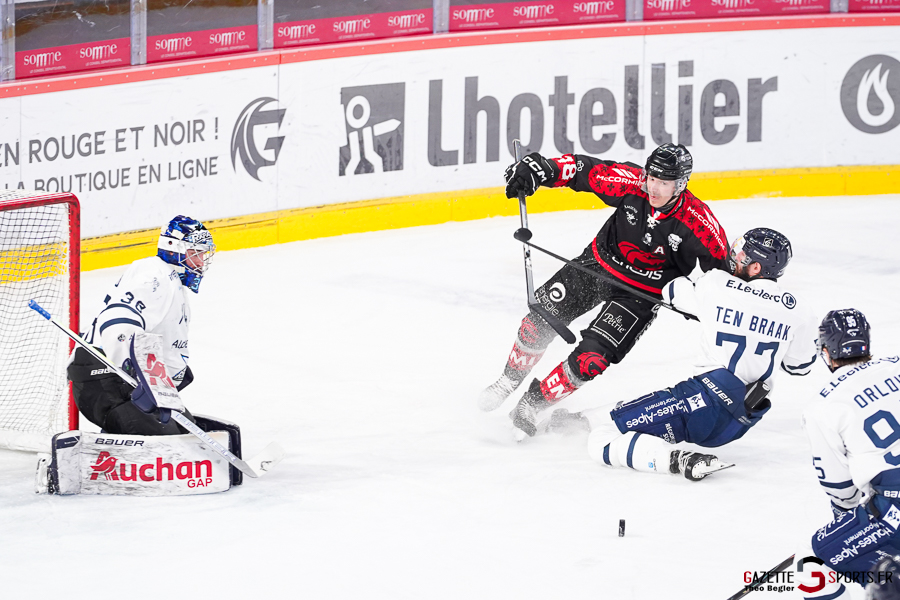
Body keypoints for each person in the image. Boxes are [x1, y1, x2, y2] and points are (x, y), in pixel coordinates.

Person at [478, 143, 731, 438]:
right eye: (652, 178)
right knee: (537, 323)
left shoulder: (699, 224)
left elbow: (725, 280)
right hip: (595, 267)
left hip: (639, 296)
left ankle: (532, 405)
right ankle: (508, 381)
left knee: (591, 359)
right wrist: (541, 170)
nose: (654, 188)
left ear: (682, 184)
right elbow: (583, 170)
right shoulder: (631, 182)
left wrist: (706, 302)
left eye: (664, 182)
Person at [547, 228, 819, 480]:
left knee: (601, 441)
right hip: (742, 417)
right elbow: (799, 366)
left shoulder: (717, 284)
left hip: (704, 401)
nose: (733, 258)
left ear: (756, 267)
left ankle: (680, 460)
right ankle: (580, 422)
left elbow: (672, 291)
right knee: (621, 412)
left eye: (741, 256)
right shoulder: (799, 309)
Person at [66, 216, 216, 435]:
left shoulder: (172, 281)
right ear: (175, 249)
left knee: (187, 438)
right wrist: (129, 370)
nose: (201, 262)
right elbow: (116, 321)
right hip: (105, 378)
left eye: (203, 254)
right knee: (167, 447)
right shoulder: (154, 276)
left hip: (126, 383)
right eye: (195, 254)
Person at [789, 309, 900, 600]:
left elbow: (840, 489)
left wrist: (849, 515)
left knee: (810, 559)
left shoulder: (823, 405)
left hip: (896, 508)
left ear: (826, 352)